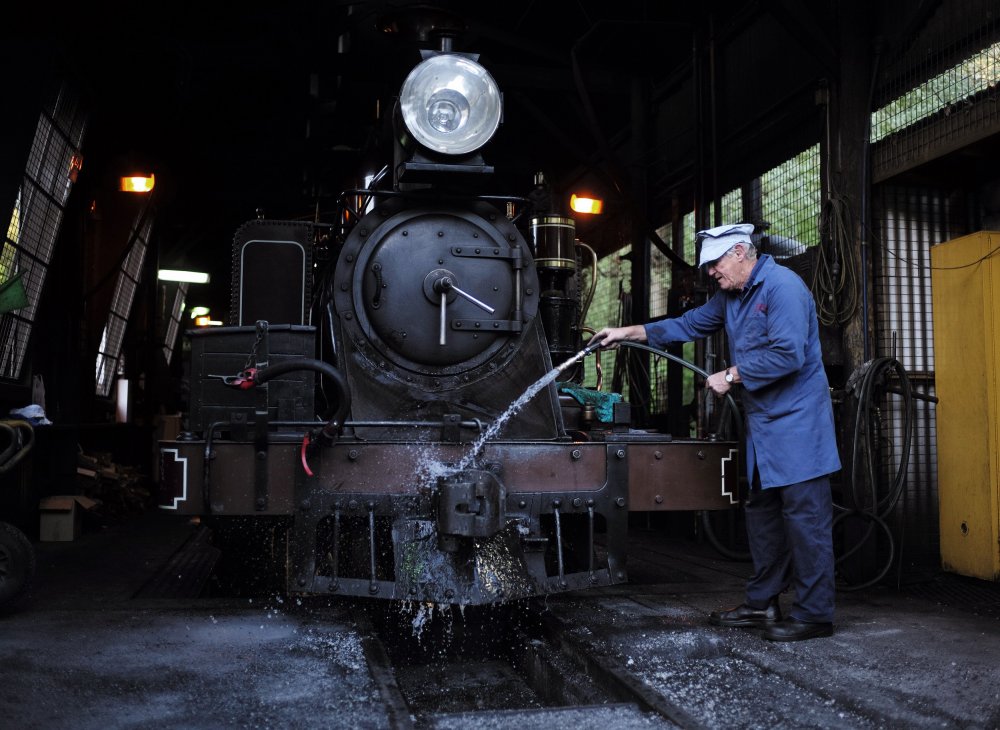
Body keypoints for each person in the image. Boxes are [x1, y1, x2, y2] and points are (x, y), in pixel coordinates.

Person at [592, 223, 841, 642]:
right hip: (763, 428)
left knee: (806, 519)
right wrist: (628, 333)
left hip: (799, 426)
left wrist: (732, 373)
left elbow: (789, 354)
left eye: (715, 264)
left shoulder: (784, 288)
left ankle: (815, 614)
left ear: (742, 252)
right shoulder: (731, 296)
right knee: (761, 516)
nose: (710, 273)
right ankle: (762, 604)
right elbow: (688, 325)